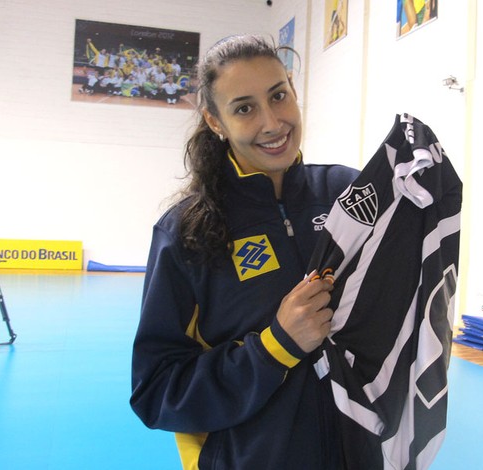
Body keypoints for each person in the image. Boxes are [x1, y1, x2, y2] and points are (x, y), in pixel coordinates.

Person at [130, 34, 359, 469]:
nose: (272, 123)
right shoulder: (187, 234)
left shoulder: (348, 196)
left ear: (293, 89)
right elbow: (156, 392)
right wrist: (277, 346)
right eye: (244, 108)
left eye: (278, 96)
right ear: (215, 122)